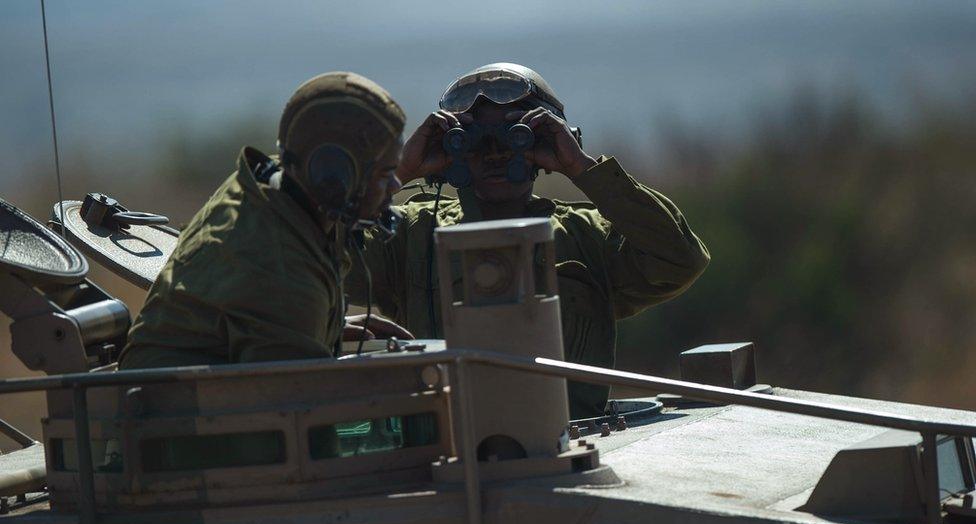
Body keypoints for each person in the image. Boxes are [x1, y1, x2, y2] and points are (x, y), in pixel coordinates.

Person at [346, 63, 710, 419]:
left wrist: (581, 168)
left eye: (514, 135)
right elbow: (322, 261)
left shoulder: (585, 236)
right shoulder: (412, 234)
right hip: (443, 444)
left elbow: (679, 260)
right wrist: (397, 174)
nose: (495, 153)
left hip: (569, 439)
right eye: (474, 141)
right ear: (451, 148)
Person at [120, 72, 407, 369]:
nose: (396, 185)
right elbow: (300, 405)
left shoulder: (269, 190)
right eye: (385, 174)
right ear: (333, 177)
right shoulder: (279, 265)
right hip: (176, 408)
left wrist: (325, 326)